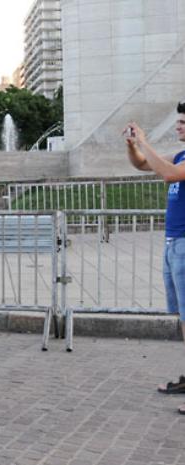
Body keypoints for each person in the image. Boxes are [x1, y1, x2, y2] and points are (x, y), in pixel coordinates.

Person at [125, 102, 185, 414]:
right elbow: (142, 165)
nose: (179, 127)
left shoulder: (180, 163)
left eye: (183, 123)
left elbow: (170, 175)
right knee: (183, 317)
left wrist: (146, 141)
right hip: (174, 243)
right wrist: (133, 146)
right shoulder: (180, 155)